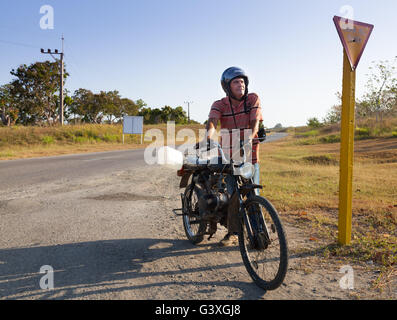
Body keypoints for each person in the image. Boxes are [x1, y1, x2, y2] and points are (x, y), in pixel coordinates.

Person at [205, 66, 263, 246]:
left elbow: (255, 122)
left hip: (250, 157)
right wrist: (208, 136)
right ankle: (233, 232)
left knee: (253, 194)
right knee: (233, 196)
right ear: (227, 86)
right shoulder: (219, 104)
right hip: (229, 158)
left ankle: (259, 234)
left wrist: (250, 136)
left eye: (243, 81)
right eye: (236, 82)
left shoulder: (252, 99)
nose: (241, 85)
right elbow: (213, 121)